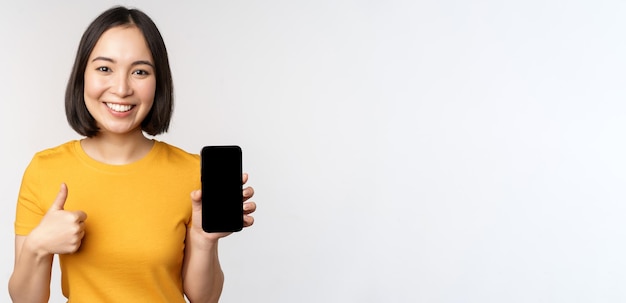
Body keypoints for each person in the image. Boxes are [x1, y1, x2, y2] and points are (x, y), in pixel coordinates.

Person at [8, 6, 256, 303]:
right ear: (82, 76)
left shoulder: (191, 172)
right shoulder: (44, 170)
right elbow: (25, 300)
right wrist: (37, 246)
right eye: (104, 69)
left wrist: (203, 241)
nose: (122, 88)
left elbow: (205, 298)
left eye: (140, 71)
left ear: (158, 81)